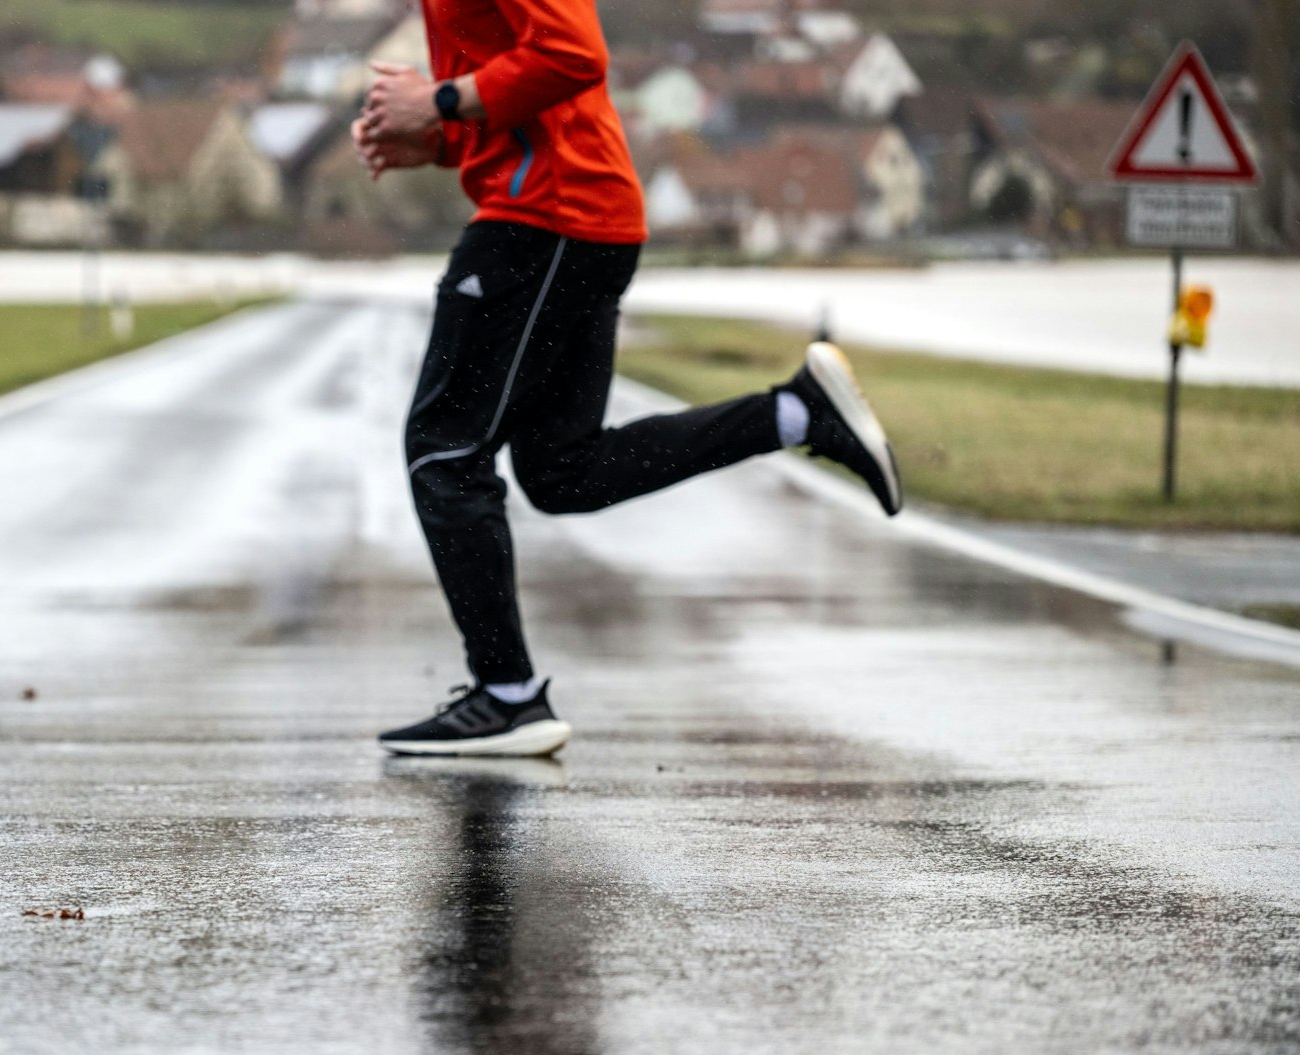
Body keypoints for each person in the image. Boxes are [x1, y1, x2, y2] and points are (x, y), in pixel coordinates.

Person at [352, 0, 903, 757]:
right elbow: (530, 96)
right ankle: (797, 415)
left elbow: (573, 54)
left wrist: (439, 99)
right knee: (559, 469)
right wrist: (439, 141)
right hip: (578, 217)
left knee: (444, 449)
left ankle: (508, 695)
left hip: (546, 219)